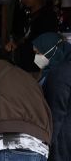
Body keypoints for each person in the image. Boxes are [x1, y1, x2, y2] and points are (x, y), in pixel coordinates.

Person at [32, 33, 71, 161]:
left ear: (51, 51)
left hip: (62, 139)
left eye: (39, 53)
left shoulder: (59, 75)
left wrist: (46, 144)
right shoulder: (53, 69)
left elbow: (56, 114)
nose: (36, 57)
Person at [5, 0, 58, 74]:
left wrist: (19, 45)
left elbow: (44, 43)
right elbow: (25, 37)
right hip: (24, 66)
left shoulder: (48, 16)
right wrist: (15, 43)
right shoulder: (26, 16)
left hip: (38, 69)